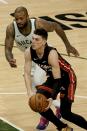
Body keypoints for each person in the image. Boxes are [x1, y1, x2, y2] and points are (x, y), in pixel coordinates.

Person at [5, 6, 80, 130]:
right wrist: (10, 58)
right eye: (16, 19)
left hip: (44, 55)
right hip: (30, 59)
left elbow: (56, 26)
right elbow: (7, 48)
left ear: (27, 17)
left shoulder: (38, 23)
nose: (18, 21)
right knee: (32, 92)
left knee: (40, 87)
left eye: (21, 18)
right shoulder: (11, 28)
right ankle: (51, 109)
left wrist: (68, 44)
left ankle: (51, 111)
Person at [24, 28, 87, 131]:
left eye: (37, 39)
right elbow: (26, 73)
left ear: (44, 42)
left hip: (67, 79)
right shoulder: (29, 52)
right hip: (53, 78)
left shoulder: (51, 53)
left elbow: (59, 80)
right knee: (39, 102)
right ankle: (63, 127)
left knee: (66, 114)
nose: (33, 42)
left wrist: (52, 98)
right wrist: (29, 91)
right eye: (33, 39)